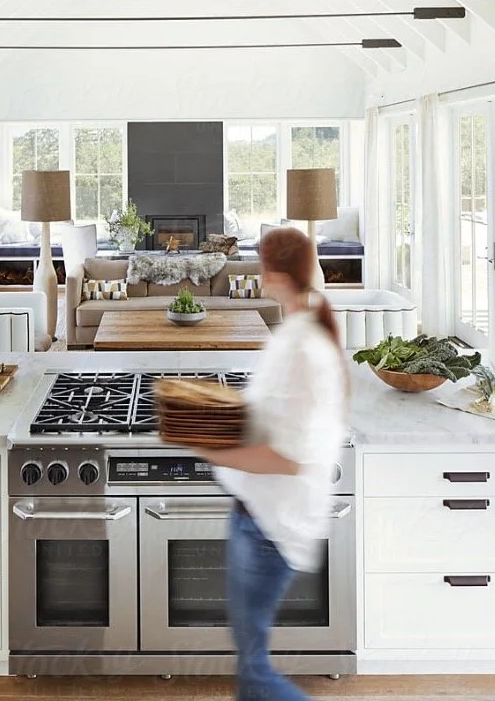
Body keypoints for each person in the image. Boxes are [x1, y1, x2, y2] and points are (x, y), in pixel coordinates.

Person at [200, 226, 348, 701]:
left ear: (273, 272)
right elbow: (277, 414)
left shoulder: (303, 346)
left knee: (255, 672)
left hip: (269, 525)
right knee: (250, 661)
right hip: (261, 515)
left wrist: (213, 450)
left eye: (261, 260)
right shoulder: (299, 330)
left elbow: (287, 457)